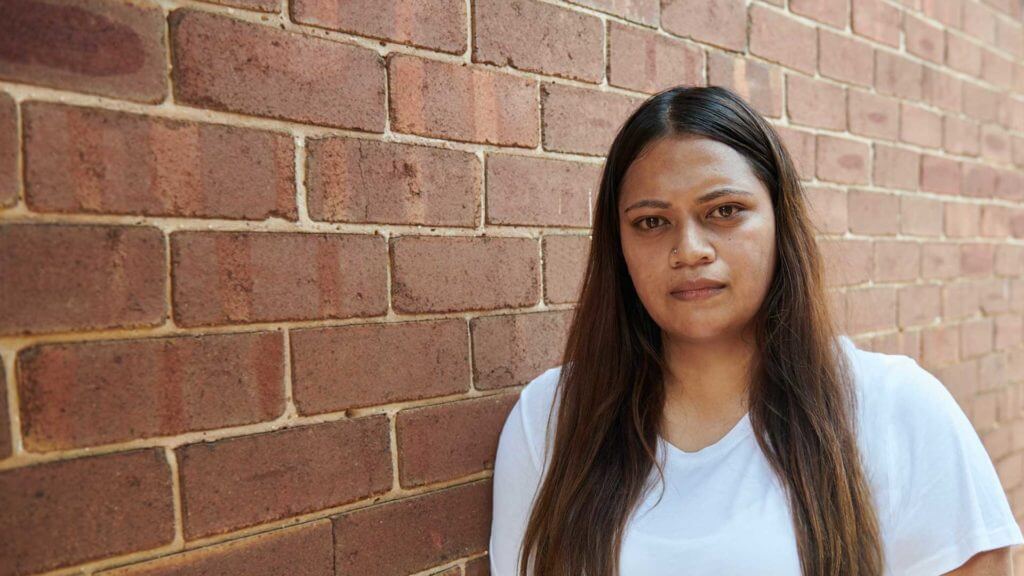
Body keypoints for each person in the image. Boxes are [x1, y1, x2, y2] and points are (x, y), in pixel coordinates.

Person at [488, 85, 1024, 576]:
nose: (690, 249)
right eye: (652, 221)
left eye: (725, 210)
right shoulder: (552, 419)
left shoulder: (893, 407)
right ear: (619, 246)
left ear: (779, 222)